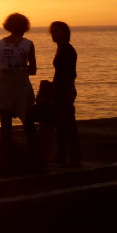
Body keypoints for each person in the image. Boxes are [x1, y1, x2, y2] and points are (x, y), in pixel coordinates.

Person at [0, 13, 41, 170]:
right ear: (25, 27)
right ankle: (36, 158)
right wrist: (22, 68)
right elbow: (33, 70)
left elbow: (1, 66)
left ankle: (6, 160)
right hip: (21, 86)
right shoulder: (28, 44)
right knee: (28, 123)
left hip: (3, 86)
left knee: (6, 125)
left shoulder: (0, 44)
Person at [49, 21, 80, 166]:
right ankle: (63, 155)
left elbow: (69, 74)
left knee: (68, 124)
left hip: (65, 89)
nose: (54, 34)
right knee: (61, 124)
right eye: (53, 31)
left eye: (57, 31)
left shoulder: (67, 50)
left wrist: (65, 93)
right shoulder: (61, 48)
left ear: (65, 33)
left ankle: (74, 158)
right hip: (60, 89)